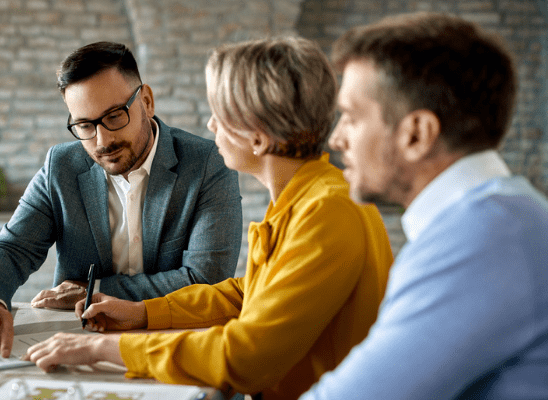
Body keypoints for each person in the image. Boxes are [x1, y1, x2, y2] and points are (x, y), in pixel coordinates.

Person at [23, 37, 394, 400]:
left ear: (259, 137)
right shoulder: (306, 196)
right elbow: (248, 293)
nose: (212, 126)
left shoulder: (327, 210)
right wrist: (142, 312)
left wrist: (104, 350)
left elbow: (247, 355)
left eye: (220, 114)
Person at [299, 12, 548, 400]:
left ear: (416, 134)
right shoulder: (502, 217)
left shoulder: (483, 238)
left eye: (350, 117)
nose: (336, 138)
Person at [0, 41, 243, 358]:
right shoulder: (61, 166)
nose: (102, 141)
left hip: (176, 344)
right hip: (79, 344)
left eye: (115, 116)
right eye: (84, 125)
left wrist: (96, 290)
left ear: (146, 101)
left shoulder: (207, 164)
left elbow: (206, 280)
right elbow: (11, 247)